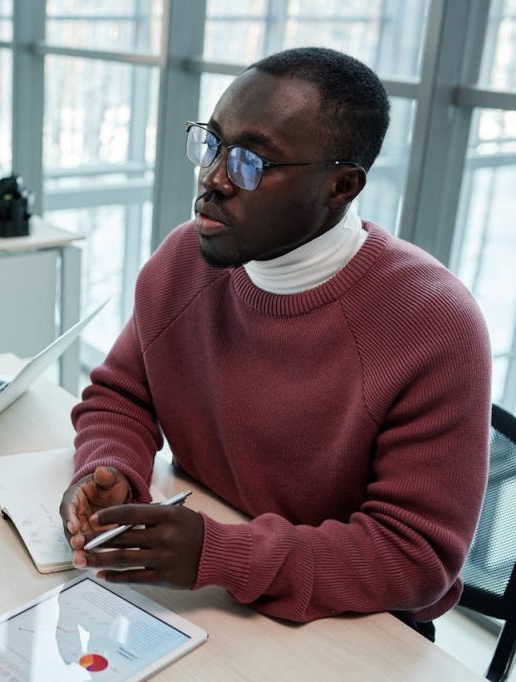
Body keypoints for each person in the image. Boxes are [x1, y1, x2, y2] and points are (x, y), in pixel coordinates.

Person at [59, 47, 492, 633]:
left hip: (354, 627)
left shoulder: (434, 322)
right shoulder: (185, 260)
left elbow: (416, 556)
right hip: (208, 590)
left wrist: (222, 554)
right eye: (210, 143)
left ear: (341, 186)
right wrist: (107, 468)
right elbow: (122, 396)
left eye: (250, 162)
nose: (212, 178)